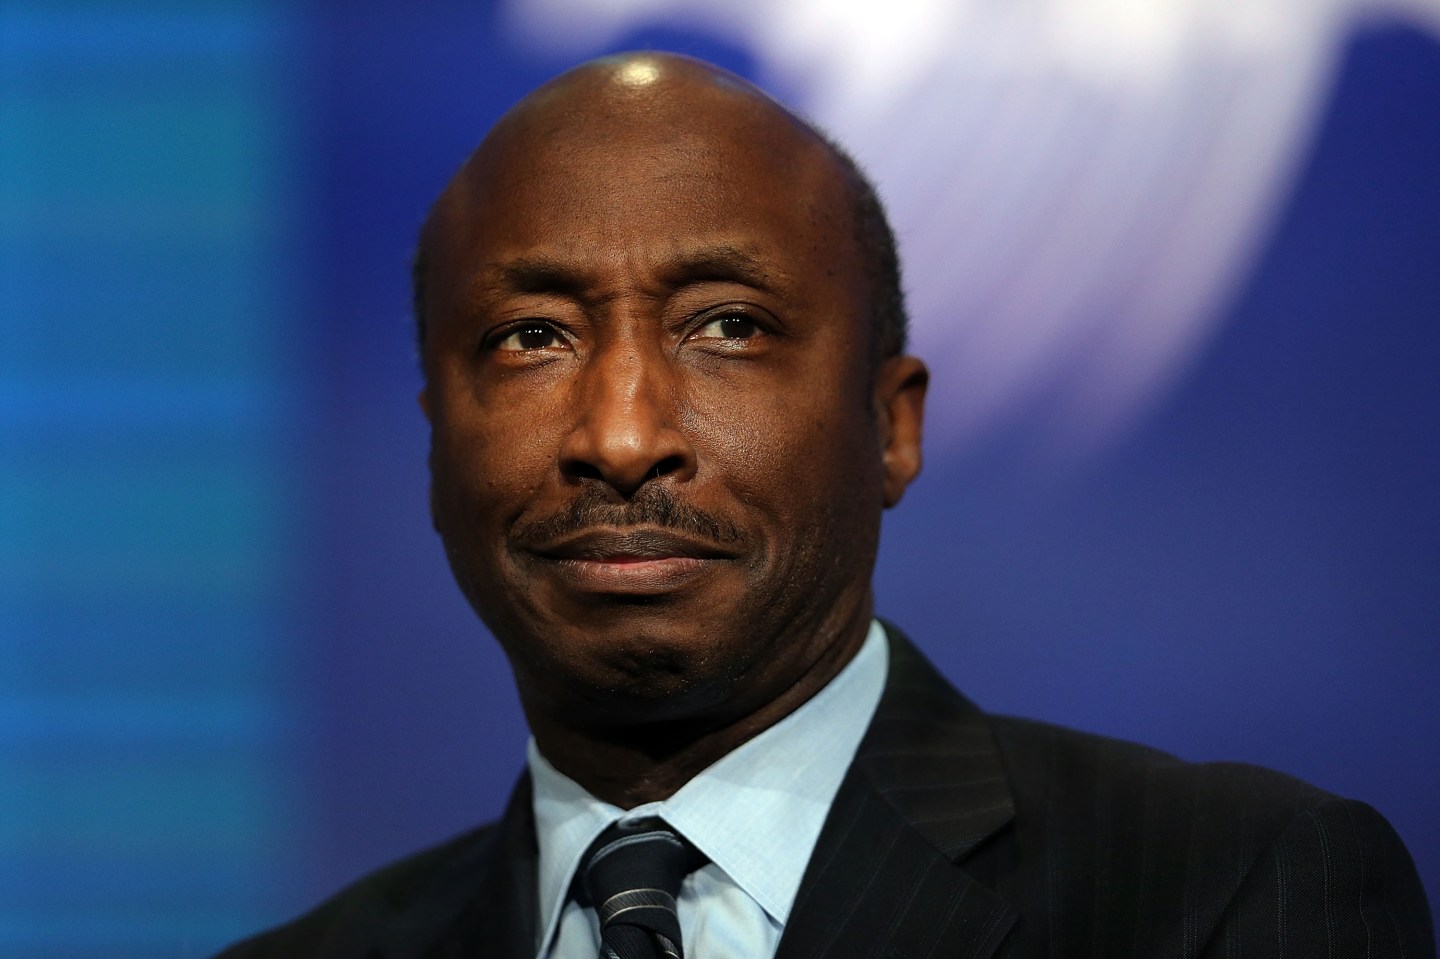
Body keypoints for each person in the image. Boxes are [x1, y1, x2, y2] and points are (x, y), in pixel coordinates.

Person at [217, 51, 1433, 958]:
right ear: (436, 445)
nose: (622, 436)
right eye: (532, 337)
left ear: (891, 426)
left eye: (727, 327)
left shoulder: (1232, 895)